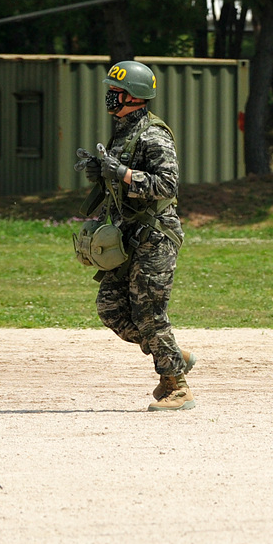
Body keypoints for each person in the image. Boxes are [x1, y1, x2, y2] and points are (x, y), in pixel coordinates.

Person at [77, 60, 193, 411]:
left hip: (155, 236)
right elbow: (120, 182)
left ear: (135, 96)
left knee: (149, 313)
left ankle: (177, 387)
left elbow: (166, 185)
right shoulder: (123, 130)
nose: (110, 97)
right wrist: (101, 172)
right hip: (127, 236)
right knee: (110, 307)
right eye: (111, 91)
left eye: (116, 92)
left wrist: (124, 173)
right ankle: (170, 353)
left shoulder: (153, 134)